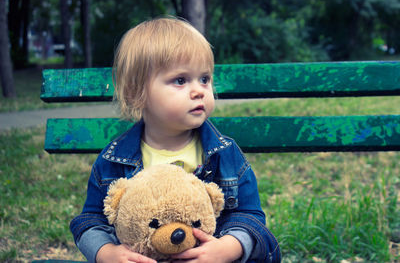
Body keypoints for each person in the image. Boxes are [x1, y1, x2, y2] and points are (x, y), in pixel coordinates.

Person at [70, 17, 281, 263]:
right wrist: (105, 253)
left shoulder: (224, 153)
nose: (199, 90)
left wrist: (229, 247)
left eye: (204, 78)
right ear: (136, 92)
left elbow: (251, 216)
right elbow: (90, 220)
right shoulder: (113, 160)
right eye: (180, 80)